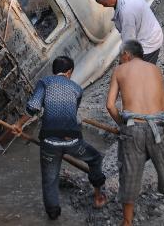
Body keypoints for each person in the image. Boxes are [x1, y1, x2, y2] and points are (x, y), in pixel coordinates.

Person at [11, 55, 107, 220]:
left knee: (50, 179)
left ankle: (53, 215)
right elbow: (71, 114)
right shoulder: (77, 89)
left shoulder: (44, 82)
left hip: (49, 143)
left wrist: (19, 125)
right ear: (69, 72)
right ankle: (98, 194)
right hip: (73, 142)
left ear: (54, 71)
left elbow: (33, 107)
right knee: (95, 158)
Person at [106, 40, 164, 225]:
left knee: (129, 173)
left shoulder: (120, 71)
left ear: (127, 53)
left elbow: (110, 105)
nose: (120, 60)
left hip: (133, 129)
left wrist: (122, 124)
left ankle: (127, 222)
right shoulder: (155, 69)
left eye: (120, 56)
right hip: (158, 127)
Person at [93, 0, 164, 64]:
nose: (103, 6)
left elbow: (129, 43)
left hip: (148, 44)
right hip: (149, 28)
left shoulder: (126, 12)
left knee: (139, 74)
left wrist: (123, 64)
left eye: (104, 3)